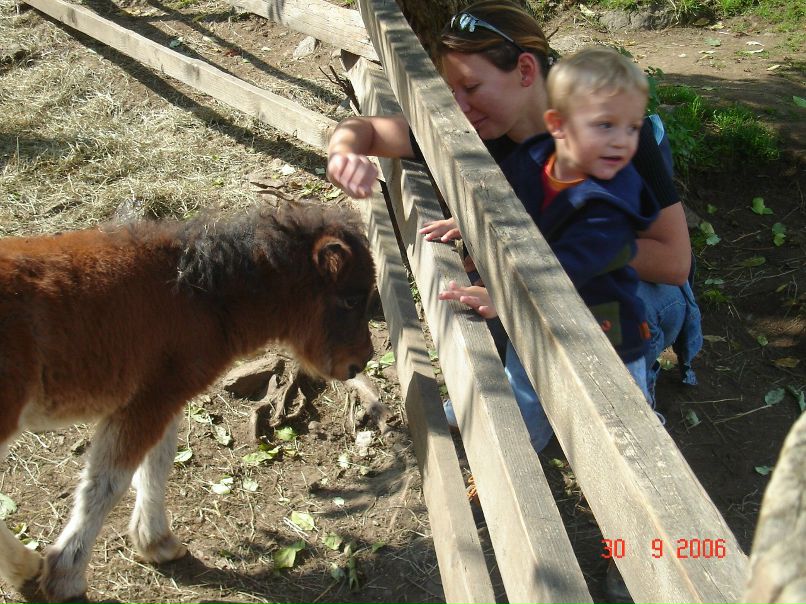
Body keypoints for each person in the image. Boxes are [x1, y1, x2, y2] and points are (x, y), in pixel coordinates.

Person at [327, 0, 702, 412]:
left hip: (644, 293)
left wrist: (523, 236)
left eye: (471, 88)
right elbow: (363, 129)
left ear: (525, 70)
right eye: (453, 92)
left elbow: (673, 261)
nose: (461, 107)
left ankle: (632, 411)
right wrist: (344, 152)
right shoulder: (482, 126)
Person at [442, 45, 661, 453]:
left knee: (619, 423)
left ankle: (645, 446)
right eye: (605, 125)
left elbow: (568, 267)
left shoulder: (609, 200)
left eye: (631, 128)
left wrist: (504, 296)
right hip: (542, 313)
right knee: (524, 373)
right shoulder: (538, 156)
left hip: (607, 331)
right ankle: (514, 449)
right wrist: (470, 220)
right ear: (558, 125)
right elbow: (509, 198)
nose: (621, 141)